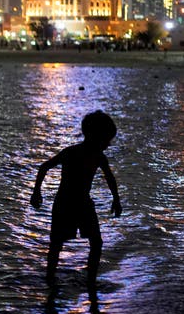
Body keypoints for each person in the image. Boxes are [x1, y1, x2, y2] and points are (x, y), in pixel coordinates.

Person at [30, 110, 121, 288]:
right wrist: (36, 192)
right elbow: (44, 167)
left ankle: (90, 281)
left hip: (83, 203)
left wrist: (116, 199)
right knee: (56, 243)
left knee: (96, 242)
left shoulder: (99, 157)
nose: (108, 144)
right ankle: (50, 280)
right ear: (94, 136)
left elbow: (110, 178)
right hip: (64, 203)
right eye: (106, 140)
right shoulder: (71, 153)